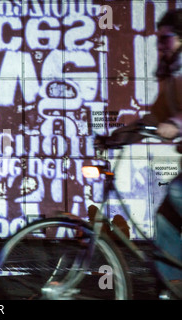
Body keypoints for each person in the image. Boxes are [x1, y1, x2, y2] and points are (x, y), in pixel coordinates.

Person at [101, 9, 182, 295]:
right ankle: (174, 285)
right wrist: (122, 135)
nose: (160, 45)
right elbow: (156, 115)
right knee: (165, 218)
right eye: (158, 39)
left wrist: (175, 123)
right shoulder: (171, 75)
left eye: (166, 38)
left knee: (177, 193)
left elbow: (172, 119)